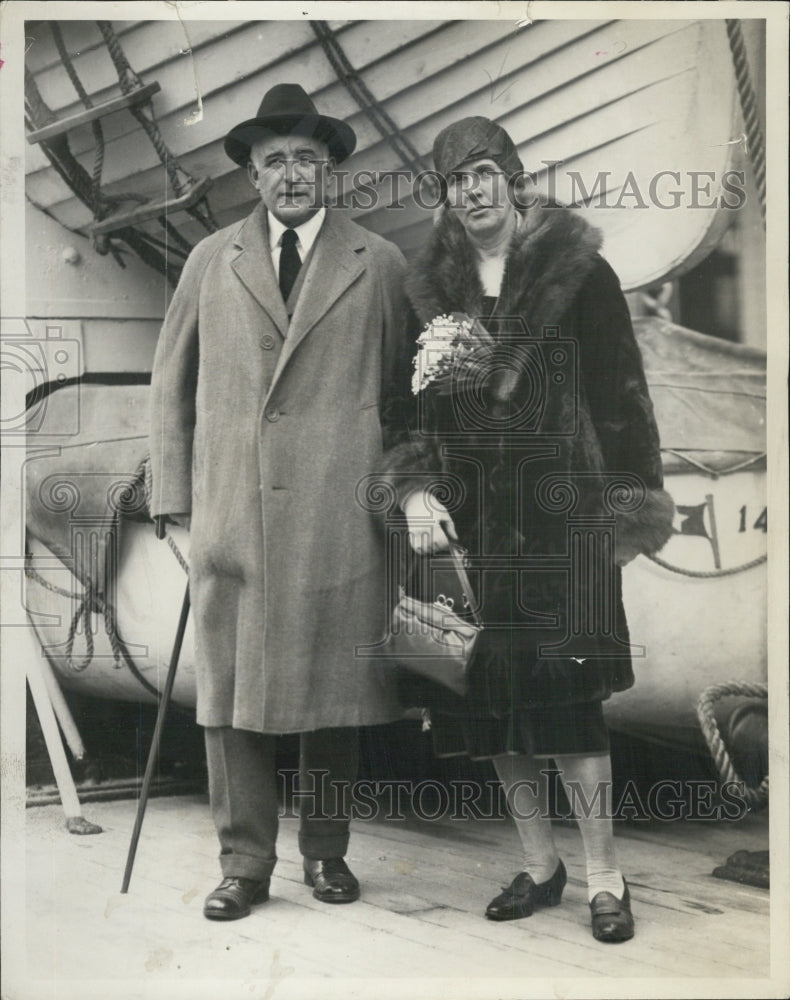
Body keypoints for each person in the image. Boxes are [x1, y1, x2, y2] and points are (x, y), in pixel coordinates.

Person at [381, 117, 674, 942]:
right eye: (455, 181)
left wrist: (628, 511)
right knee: (492, 701)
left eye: (483, 174)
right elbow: (402, 412)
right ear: (444, 198)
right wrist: (413, 494)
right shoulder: (427, 290)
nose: (471, 192)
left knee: (572, 704)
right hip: (471, 527)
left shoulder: (581, 274)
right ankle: (540, 864)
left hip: (565, 519)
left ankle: (606, 879)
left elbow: (626, 398)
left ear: (513, 179)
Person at [149, 84, 409, 920]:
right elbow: (170, 383)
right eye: (274, 163)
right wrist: (173, 496)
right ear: (253, 178)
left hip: (340, 512)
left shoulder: (381, 263)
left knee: (331, 694)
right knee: (232, 697)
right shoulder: (209, 261)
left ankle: (326, 855)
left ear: (329, 169)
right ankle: (244, 863)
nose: (290, 175)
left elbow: (410, 397)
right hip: (236, 511)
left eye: (304, 159)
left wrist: (408, 491)